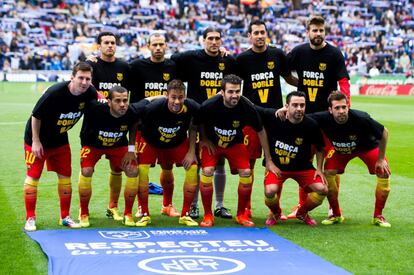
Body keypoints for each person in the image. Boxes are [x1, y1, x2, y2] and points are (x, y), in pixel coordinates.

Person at [286, 15, 350, 218]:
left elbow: (343, 80)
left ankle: (333, 207)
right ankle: (301, 205)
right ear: (308, 32)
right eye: (314, 30)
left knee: (330, 164)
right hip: (303, 117)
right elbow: (284, 71)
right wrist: (300, 85)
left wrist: (346, 103)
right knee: (304, 162)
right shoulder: (298, 52)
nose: (318, 34)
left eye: (321, 30)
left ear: (325, 32)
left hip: (327, 118)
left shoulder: (334, 53)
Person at [194, 74, 277, 227]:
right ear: (222, 92)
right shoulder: (209, 105)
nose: (235, 95)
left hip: (235, 143)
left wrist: (269, 158)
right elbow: (196, 123)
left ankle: (241, 214)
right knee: (207, 170)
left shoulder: (247, 107)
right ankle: (207, 215)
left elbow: (260, 131)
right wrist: (204, 139)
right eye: (231, 92)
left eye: (237, 91)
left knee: (246, 173)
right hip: (213, 143)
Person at [23, 62, 97, 231]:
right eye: (80, 78)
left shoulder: (90, 92)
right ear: (72, 77)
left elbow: (103, 104)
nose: (84, 82)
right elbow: (36, 116)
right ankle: (30, 218)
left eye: (87, 79)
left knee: (65, 177)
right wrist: (35, 141)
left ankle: (65, 217)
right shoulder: (55, 92)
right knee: (33, 176)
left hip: (60, 140)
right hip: (37, 139)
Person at [171, 28, 236, 220]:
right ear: (203, 40)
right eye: (210, 39)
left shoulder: (227, 61)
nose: (214, 42)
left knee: (219, 161)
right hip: (196, 118)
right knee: (197, 163)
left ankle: (219, 205)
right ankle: (193, 205)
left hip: (219, 119)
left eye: (217, 38)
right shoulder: (192, 57)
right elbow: (173, 58)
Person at [236, 19, 297, 218]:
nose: (260, 36)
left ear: (266, 34)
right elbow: (234, 84)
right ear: (249, 36)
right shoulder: (242, 59)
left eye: (263, 32)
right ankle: (245, 208)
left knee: (276, 163)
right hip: (251, 118)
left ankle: (274, 210)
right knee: (249, 165)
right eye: (256, 33)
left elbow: (289, 79)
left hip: (276, 117)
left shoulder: (277, 54)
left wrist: (314, 85)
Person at [311, 91, 391, 227]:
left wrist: (381, 158)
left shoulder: (361, 117)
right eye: (337, 108)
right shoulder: (322, 118)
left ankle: (378, 216)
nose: (341, 111)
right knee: (328, 173)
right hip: (341, 150)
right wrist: (285, 110)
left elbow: (384, 132)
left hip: (367, 148)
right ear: (330, 110)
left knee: (383, 172)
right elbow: (301, 118)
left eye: (344, 107)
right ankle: (336, 214)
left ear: (348, 106)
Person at [133, 79, 200, 227]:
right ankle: (143, 212)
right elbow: (134, 123)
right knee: (142, 171)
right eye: (173, 97)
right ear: (166, 96)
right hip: (149, 141)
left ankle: (182, 212)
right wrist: (131, 150)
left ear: (185, 96)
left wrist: (191, 151)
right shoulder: (152, 108)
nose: (177, 101)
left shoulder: (192, 107)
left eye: (181, 97)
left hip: (176, 141)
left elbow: (195, 125)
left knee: (193, 168)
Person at [258, 91, 327, 226]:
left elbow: (320, 148)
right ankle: (276, 212)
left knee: (322, 189)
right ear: (286, 106)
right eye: (295, 105)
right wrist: (269, 161)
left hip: (303, 169)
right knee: (270, 191)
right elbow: (252, 107)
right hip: (278, 168)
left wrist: (319, 168)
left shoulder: (311, 124)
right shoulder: (274, 117)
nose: (299, 109)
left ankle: (302, 212)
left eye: (302, 105)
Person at [129, 32, 178, 218]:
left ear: (166, 46)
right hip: (143, 127)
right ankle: (142, 208)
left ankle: (168, 204)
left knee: (168, 168)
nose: (158, 48)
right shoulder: (136, 66)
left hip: (167, 127)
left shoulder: (174, 66)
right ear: (148, 46)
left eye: (161, 44)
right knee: (142, 168)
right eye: (154, 44)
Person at [77, 86, 140, 227]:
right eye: (118, 101)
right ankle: (83, 212)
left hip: (118, 145)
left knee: (133, 170)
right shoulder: (94, 108)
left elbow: (135, 123)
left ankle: (125, 213)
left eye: (125, 100)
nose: (123, 104)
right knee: (86, 171)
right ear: (109, 102)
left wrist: (131, 149)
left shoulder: (132, 111)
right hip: (92, 145)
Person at [86, 31, 132, 222]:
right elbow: (82, 80)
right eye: (106, 42)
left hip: (118, 126)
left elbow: (130, 93)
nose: (110, 45)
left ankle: (112, 207)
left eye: (113, 42)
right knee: (87, 169)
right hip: (94, 125)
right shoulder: (91, 65)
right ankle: (83, 211)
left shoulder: (124, 66)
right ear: (99, 46)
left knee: (118, 169)